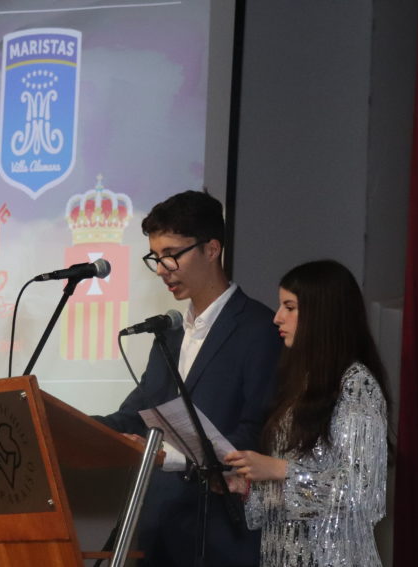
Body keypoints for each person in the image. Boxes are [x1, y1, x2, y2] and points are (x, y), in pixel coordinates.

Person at [95, 190, 281, 567]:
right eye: (155, 257)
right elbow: (136, 414)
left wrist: (176, 459)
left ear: (211, 249)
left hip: (220, 534)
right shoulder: (169, 333)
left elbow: (258, 431)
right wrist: (65, 422)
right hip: (158, 529)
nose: (161, 269)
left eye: (171, 254)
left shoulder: (259, 328)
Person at [224, 259, 391, 567]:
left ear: (322, 315)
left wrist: (279, 470)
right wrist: (247, 486)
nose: (277, 317)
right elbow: (295, 491)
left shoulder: (356, 385)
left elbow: (360, 491)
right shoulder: (299, 384)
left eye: (290, 307)